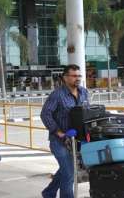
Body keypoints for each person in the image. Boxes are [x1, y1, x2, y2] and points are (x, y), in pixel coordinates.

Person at [40, 64, 89, 198]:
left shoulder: (84, 92)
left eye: (79, 75)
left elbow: (87, 113)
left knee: (65, 170)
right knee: (69, 172)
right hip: (59, 141)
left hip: (76, 141)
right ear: (65, 78)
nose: (77, 78)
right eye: (74, 76)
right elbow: (45, 114)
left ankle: (48, 193)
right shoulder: (57, 95)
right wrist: (58, 131)